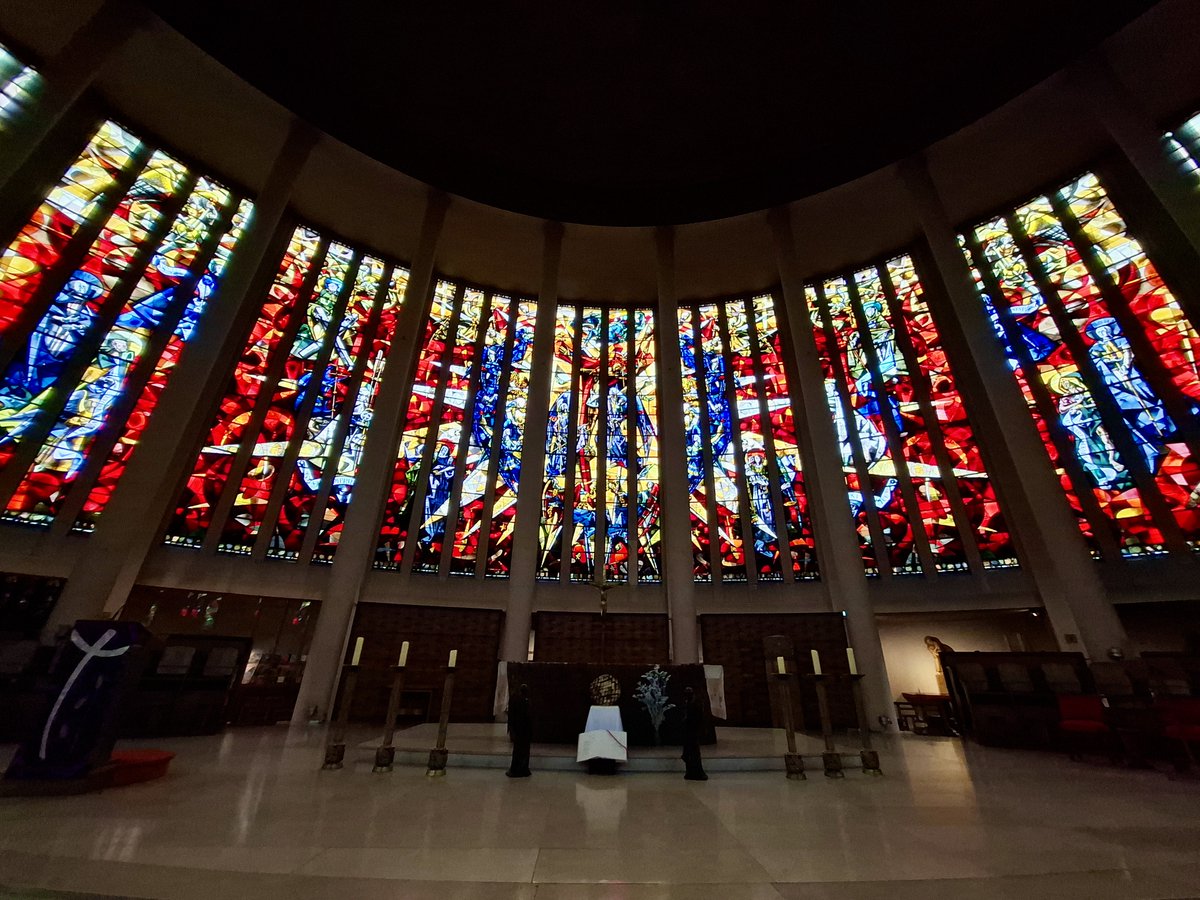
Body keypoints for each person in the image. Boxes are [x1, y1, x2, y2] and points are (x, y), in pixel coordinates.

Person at [681, 687, 708, 781]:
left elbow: (698, 718)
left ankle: (696, 772)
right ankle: (690, 772)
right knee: (689, 753)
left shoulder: (695, 704)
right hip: (689, 731)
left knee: (694, 753)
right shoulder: (688, 703)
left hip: (692, 731)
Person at [506, 683, 532, 778]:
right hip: (524, 729)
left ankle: (517, 769)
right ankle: (522, 768)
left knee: (519, 749)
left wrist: (511, 728)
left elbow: (511, 716)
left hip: (519, 728)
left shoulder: (515, 699)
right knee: (523, 749)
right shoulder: (526, 701)